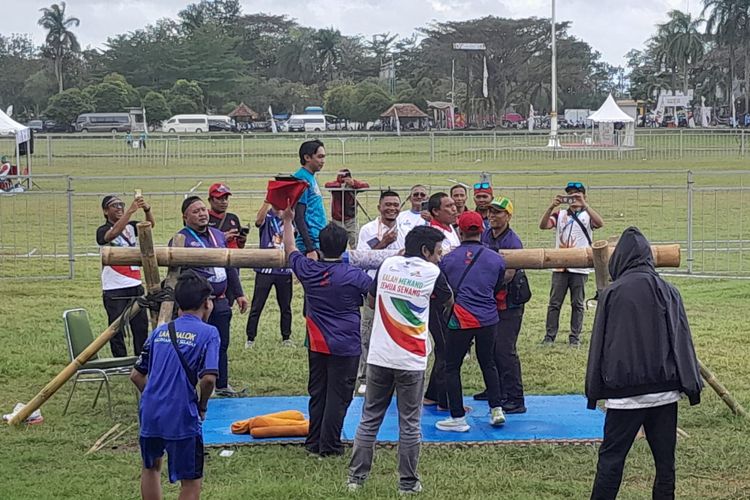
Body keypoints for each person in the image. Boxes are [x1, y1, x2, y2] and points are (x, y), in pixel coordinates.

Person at [586, 227, 703, 500]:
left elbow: (598, 345)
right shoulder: (668, 291)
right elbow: (682, 341)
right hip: (664, 393)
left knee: (611, 460)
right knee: (665, 464)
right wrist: (691, 385)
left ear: (620, 259)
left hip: (624, 395)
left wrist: (594, 390)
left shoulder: (612, 293)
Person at [347, 225, 453, 495]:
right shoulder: (433, 272)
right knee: (410, 423)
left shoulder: (387, 264)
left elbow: (371, 301)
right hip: (411, 358)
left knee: (369, 418)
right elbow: (447, 300)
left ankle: (355, 479)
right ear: (426, 251)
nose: (439, 258)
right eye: (438, 253)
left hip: (379, 355)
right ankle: (408, 483)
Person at [280, 208, 372, 457]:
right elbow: (374, 295)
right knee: (339, 396)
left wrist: (288, 221)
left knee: (318, 392)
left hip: (317, 342)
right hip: (346, 345)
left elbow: (290, 249)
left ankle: (313, 441)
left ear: (320, 246)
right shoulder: (354, 274)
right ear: (345, 247)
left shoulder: (308, 269)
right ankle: (330, 446)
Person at [130, 271, 220, 500]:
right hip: (182, 415)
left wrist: (155, 396)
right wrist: (202, 406)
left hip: (150, 412)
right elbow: (209, 379)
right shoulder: (209, 333)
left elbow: (136, 375)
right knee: (190, 481)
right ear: (206, 303)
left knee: (151, 468)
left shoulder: (160, 331)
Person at [436, 211, 507, 432]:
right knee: (488, 362)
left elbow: (444, 287)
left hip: (460, 318)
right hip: (488, 317)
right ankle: (497, 409)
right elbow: (498, 285)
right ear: (482, 230)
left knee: (451, 366)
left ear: (460, 231)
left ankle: (457, 416)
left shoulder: (448, 259)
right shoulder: (496, 259)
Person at [171, 196, 249, 396]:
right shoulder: (181, 239)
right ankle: (199, 385)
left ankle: (222, 384)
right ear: (185, 217)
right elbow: (176, 275)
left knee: (221, 343)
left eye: (203, 210)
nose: (202, 214)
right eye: (195, 211)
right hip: (196, 304)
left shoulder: (218, 235)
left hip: (221, 298)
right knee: (197, 343)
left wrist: (239, 293)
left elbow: (229, 265)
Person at [475, 197, 527, 413]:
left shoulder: (513, 242)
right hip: (491, 301)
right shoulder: (485, 235)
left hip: (509, 303)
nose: (492, 216)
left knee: (505, 350)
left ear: (508, 216)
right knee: (490, 349)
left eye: (498, 212)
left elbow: (509, 275)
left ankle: (516, 398)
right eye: (490, 212)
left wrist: (484, 281)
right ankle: (495, 390)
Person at [539, 182, 604, 346]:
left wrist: (585, 205)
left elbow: (600, 223)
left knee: (577, 304)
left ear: (584, 196)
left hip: (580, 266)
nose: (573, 198)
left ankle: (575, 337)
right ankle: (549, 336)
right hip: (559, 265)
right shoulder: (560, 214)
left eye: (577, 194)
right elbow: (544, 226)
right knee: (554, 303)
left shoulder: (588, 216)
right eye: (570, 195)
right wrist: (551, 207)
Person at [354, 190, 401, 394]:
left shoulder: (406, 230)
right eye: (387, 204)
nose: (392, 208)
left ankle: (395, 377)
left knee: (396, 333)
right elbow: (361, 258)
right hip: (373, 288)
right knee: (368, 332)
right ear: (379, 207)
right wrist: (384, 244)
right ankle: (365, 378)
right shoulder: (368, 230)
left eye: (395, 205)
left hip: (398, 289)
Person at [96, 193, 155, 357]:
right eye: (114, 205)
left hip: (135, 283)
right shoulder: (102, 230)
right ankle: (119, 360)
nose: (119, 208)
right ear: (105, 211)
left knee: (141, 326)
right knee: (116, 329)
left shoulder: (131, 226)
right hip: (114, 287)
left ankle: (140, 359)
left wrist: (147, 209)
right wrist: (130, 211)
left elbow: (150, 225)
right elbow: (112, 234)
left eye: (121, 205)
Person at [422, 192, 459, 409]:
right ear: (435, 211)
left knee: (445, 346)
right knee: (447, 346)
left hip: (449, 294)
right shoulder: (434, 235)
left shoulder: (450, 229)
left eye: (454, 205)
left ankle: (433, 394)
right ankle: (445, 400)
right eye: (449, 206)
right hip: (438, 298)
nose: (454, 209)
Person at [245, 201, 293, 348]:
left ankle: (286, 337)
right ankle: (250, 338)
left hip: (284, 269)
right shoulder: (267, 216)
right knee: (257, 305)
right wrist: (268, 201)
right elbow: (258, 221)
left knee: (285, 306)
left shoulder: (289, 217)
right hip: (265, 268)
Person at [294, 139, 327, 260]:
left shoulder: (310, 177)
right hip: (310, 245)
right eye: (319, 157)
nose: (323, 161)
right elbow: (299, 215)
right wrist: (310, 248)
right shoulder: (302, 179)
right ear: (307, 157)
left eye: (324, 157)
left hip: (318, 241)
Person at [324, 169, 369, 248]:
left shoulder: (353, 185)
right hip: (337, 218)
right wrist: (340, 185)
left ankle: (355, 254)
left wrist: (353, 184)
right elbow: (327, 185)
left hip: (350, 218)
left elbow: (366, 186)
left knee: (354, 240)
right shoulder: (335, 185)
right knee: (337, 241)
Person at [207, 183, 246, 249]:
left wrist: (241, 241)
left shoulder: (233, 218)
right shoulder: (204, 219)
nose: (224, 202)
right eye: (219, 198)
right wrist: (222, 238)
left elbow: (240, 246)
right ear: (210, 200)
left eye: (226, 198)